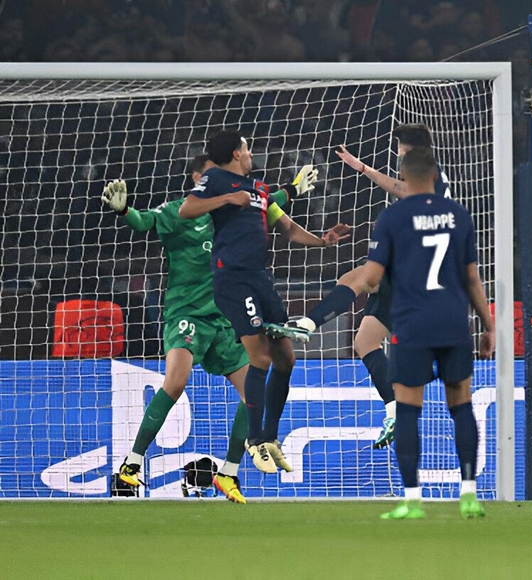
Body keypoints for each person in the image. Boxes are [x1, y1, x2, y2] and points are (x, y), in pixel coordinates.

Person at [103, 154, 319, 503]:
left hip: (223, 319)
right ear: (197, 179)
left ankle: (228, 473)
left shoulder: (231, 215)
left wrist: (293, 190)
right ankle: (132, 464)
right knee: (175, 382)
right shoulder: (178, 212)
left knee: (254, 395)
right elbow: (143, 221)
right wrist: (124, 211)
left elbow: (265, 200)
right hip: (187, 313)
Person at [178, 130, 349, 474]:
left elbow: (287, 227)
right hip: (232, 279)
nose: (250, 153)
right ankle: (253, 440)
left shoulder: (258, 189)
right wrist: (228, 199)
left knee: (286, 358)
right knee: (260, 356)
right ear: (235, 154)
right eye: (246, 148)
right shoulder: (216, 179)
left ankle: (270, 438)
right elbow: (187, 209)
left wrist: (322, 241)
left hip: (261, 279)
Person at [287, 124, 451, 449]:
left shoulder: (427, 171)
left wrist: (363, 168)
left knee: (361, 278)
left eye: (400, 147)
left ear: (410, 149)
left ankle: (309, 323)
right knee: (365, 341)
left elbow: (404, 191)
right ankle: (395, 410)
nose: (398, 153)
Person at [352, 146, 493, 519]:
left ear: (403, 178)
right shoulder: (458, 215)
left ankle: (413, 500)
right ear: (435, 176)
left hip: (411, 323)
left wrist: (356, 284)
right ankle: (469, 494)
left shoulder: (392, 218)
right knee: (461, 405)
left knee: (407, 410)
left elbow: (372, 278)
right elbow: (472, 278)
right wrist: (488, 325)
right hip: (453, 321)